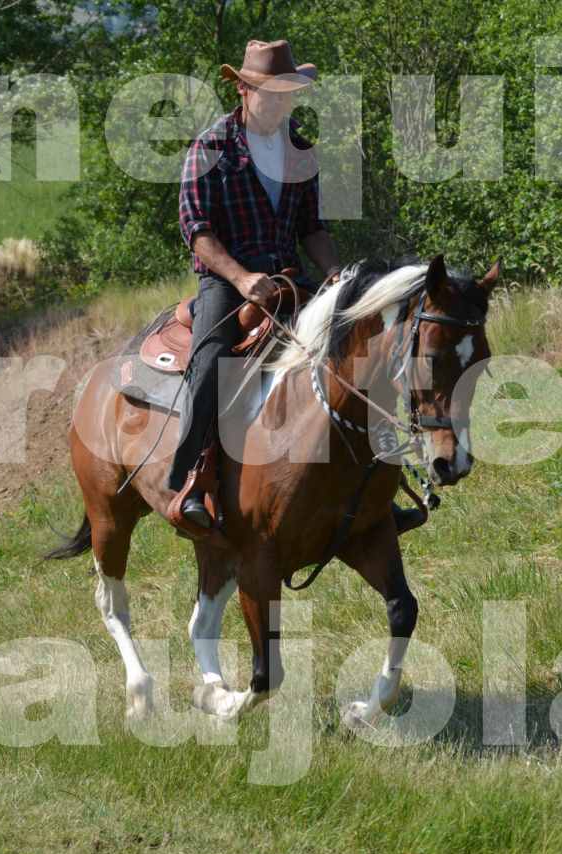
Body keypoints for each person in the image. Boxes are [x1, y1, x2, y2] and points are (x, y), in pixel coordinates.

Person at [170, 39, 343, 529]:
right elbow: (196, 230)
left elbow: (313, 227)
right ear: (243, 89)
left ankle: (371, 483)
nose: (282, 102)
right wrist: (242, 277)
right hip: (228, 281)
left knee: (355, 345)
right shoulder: (210, 148)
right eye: (272, 93)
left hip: (288, 277)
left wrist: (333, 273)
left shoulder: (301, 151)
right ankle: (191, 481)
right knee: (210, 362)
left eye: (289, 93)